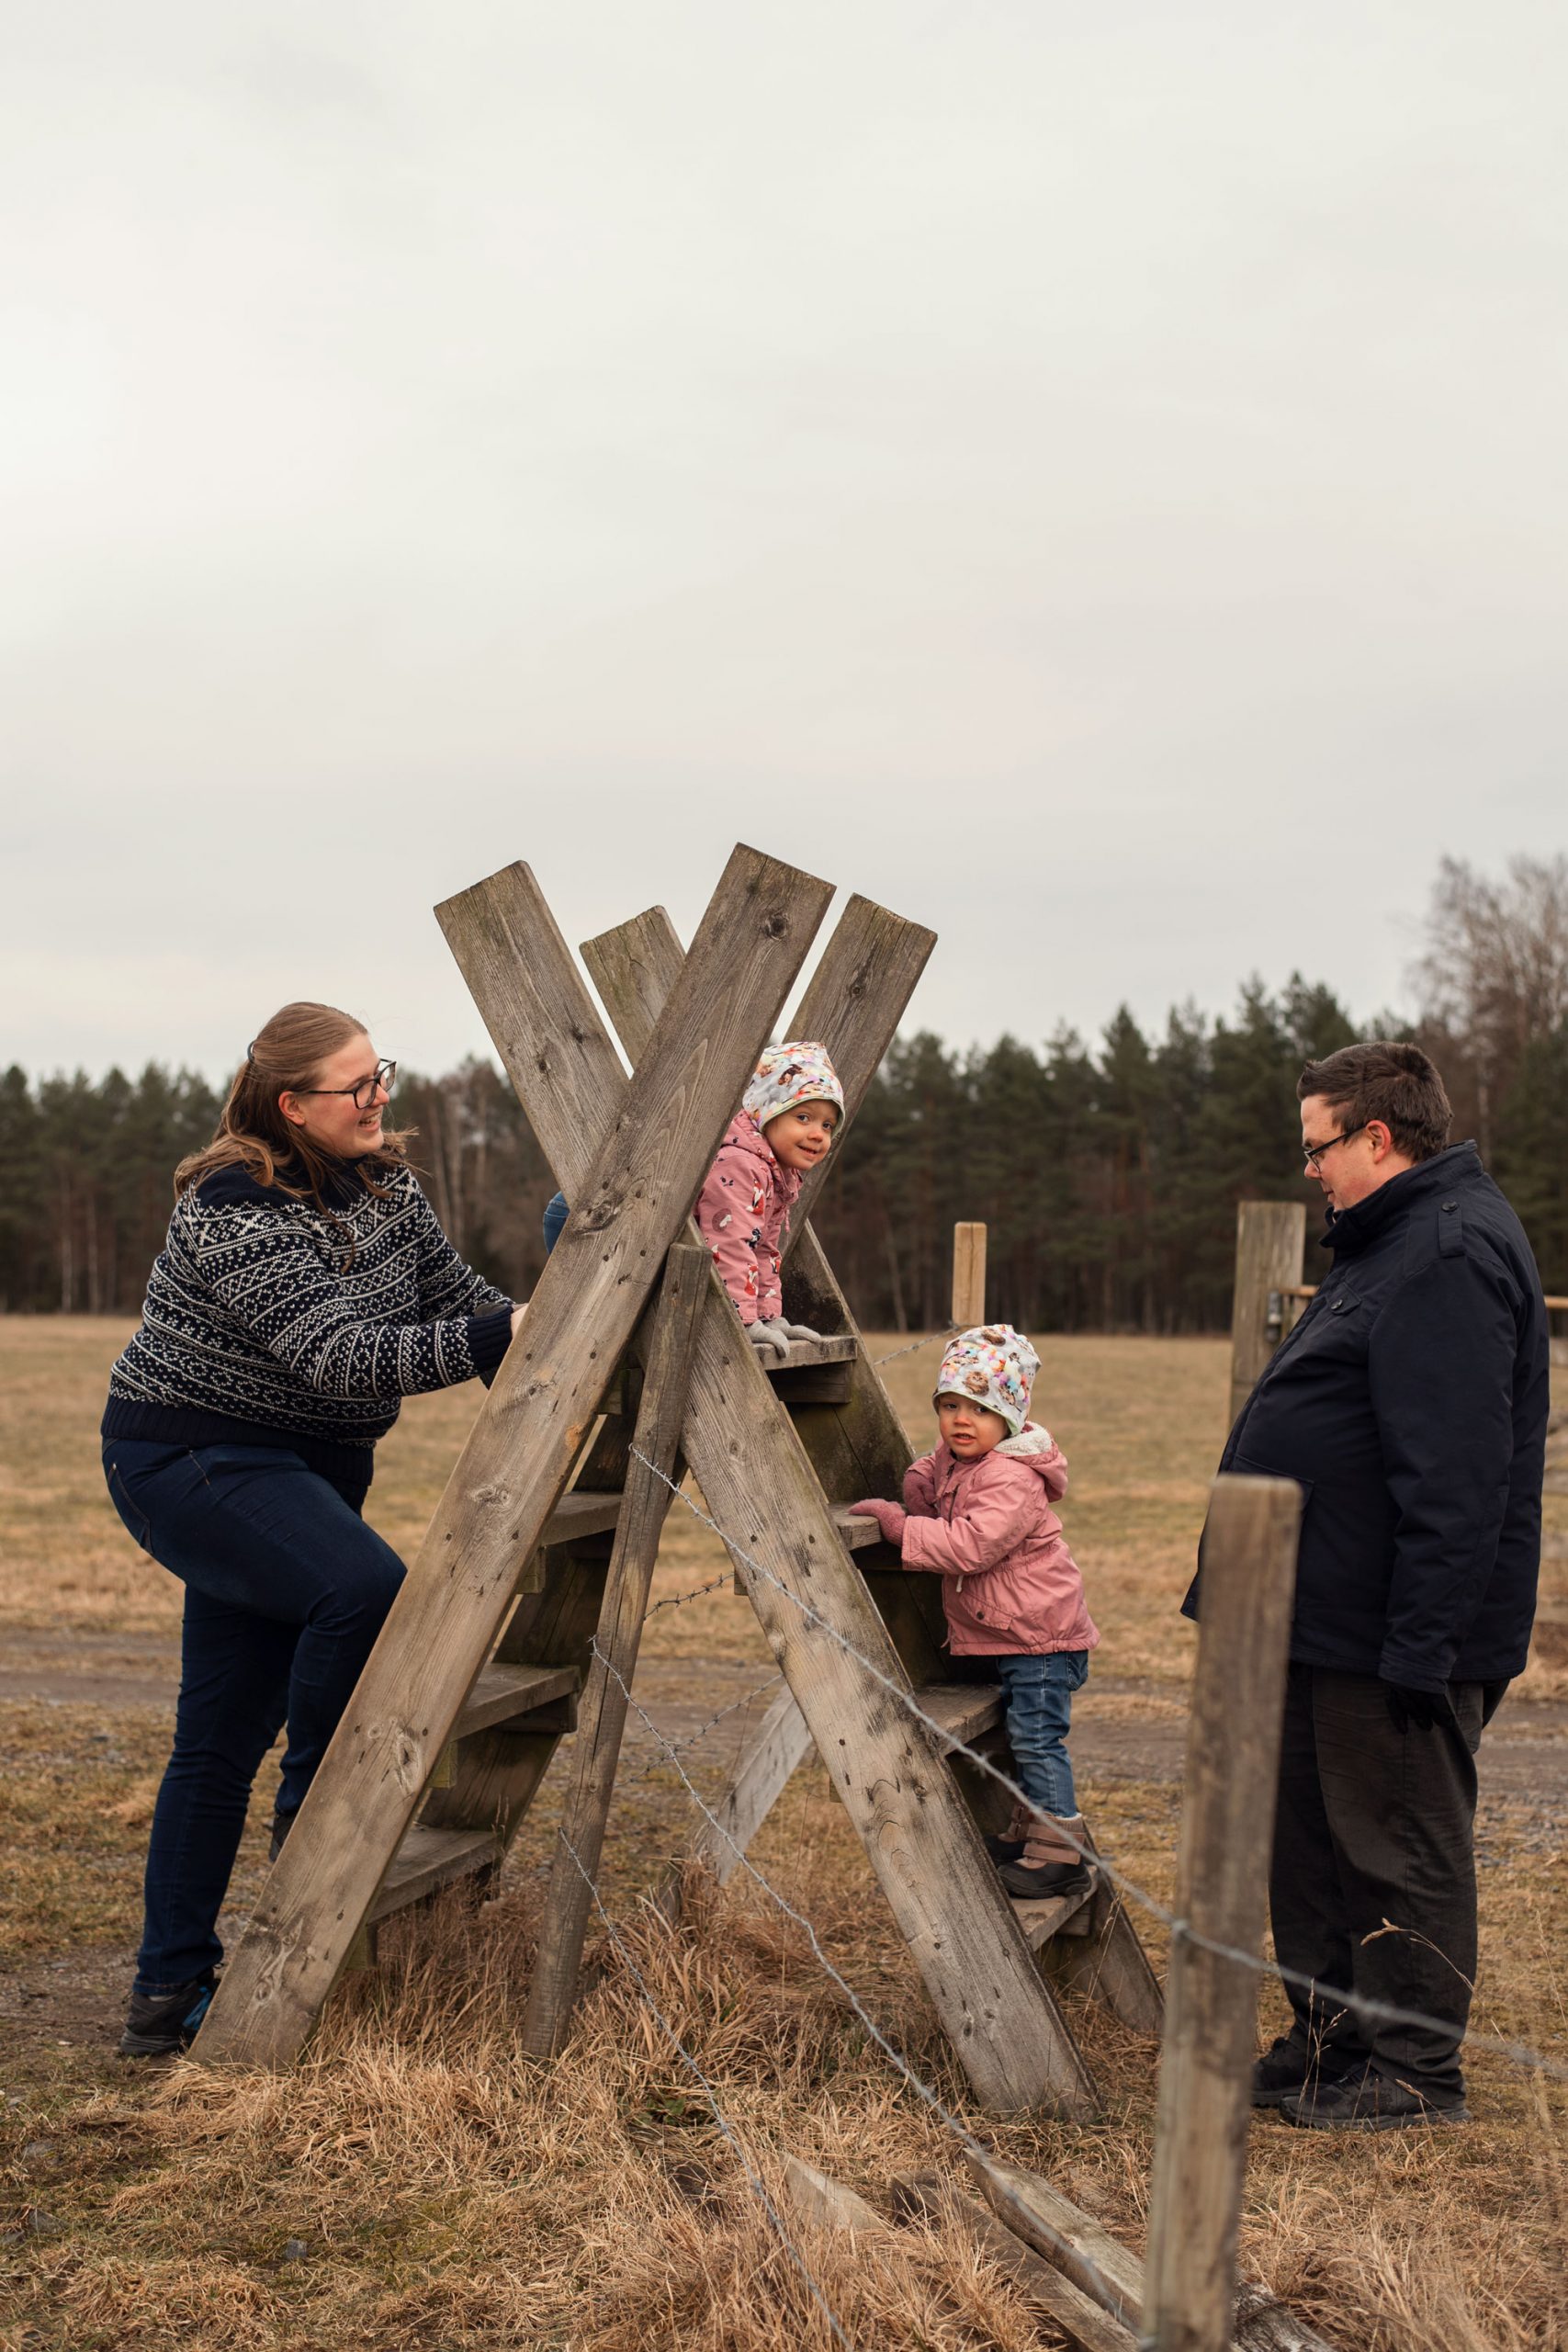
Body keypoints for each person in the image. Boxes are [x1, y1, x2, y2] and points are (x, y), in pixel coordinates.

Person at [100, 1001, 526, 2057]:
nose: (382, 1095)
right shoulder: (231, 1209)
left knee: (218, 1732)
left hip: (303, 1473)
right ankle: (315, 1825)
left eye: (381, 1072)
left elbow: (471, 1308)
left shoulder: (392, 1191)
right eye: (357, 1085)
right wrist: (495, 1332)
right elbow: (342, 1357)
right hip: (191, 1458)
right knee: (363, 1591)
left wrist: (564, 1291)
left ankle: (164, 2003)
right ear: (292, 1105)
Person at [1187, 1041, 1549, 2131]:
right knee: (1313, 1848)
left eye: (1319, 1148)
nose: (1311, 1169)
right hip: (1320, 1616)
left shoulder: (1443, 1252)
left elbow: (1455, 1478)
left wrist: (1419, 1650)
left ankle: (1411, 2072)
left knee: (1397, 1843)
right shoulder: (1386, 1243)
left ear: (1377, 1137)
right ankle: (1334, 2041)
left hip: (1389, 1628)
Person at [849, 1325, 1100, 1900]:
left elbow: (969, 1546)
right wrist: (921, 1481)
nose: (963, 1419)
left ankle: (1062, 1853)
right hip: (1019, 1633)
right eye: (951, 1405)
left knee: (1037, 1741)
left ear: (1009, 1417)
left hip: (1042, 1638)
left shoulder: (1010, 1476)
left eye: (981, 1408)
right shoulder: (967, 1462)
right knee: (1021, 1738)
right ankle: (1029, 1830)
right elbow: (939, 1489)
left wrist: (898, 1523)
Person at [540, 1040, 844, 1362]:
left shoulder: (777, 1174)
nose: (818, 1134)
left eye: (827, 1125)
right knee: (597, 1321)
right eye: (803, 1118)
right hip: (594, 1214)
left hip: (636, 1232)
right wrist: (742, 1321)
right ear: (767, 1111)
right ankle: (518, 1342)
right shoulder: (741, 1164)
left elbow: (762, 1250)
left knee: (607, 1316)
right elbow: (729, 1245)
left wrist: (769, 1316)